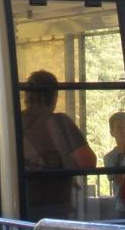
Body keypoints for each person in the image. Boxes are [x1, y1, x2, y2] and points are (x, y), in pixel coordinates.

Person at [20, 70, 96, 220]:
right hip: (56, 206)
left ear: (27, 95)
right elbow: (87, 162)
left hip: (22, 206)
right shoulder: (60, 122)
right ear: (53, 96)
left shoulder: (13, 122)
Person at [103, 112, 125, 216]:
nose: (124, 131)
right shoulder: (109, 157)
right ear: (112, 132)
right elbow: (119, 181)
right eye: (119, 128)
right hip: (122, 206)